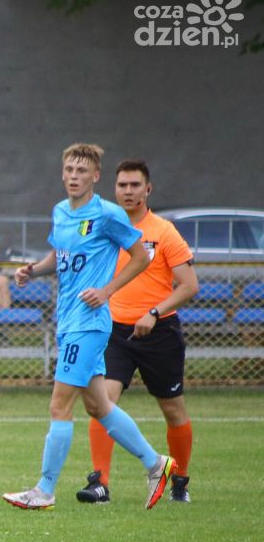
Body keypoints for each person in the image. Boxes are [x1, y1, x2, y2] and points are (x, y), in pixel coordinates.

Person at [2, 143, 173, 510]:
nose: (74, 177)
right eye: (69, 170)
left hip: (89, 323)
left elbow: (141, 256)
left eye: (81, 171)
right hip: (67, 320)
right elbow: (59, 255)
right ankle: (156, 464)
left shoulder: (108, 214)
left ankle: (44, 490)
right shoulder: (60, 211)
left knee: (59, 404)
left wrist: (107, 291)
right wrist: (33, 270)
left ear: (95, 176)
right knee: (98, 406)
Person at [77, 160, 198, 505]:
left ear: (148, 189)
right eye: (122, 185)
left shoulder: (164, 231)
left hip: (159, 331)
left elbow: (189, 285)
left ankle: (179, 481)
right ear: (114, 189)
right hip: (113, 331)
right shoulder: (103, 226)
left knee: (172, 410)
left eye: (134, 185)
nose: (128, 191)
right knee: (102, 402)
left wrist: (154, 312)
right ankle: (99, 483)